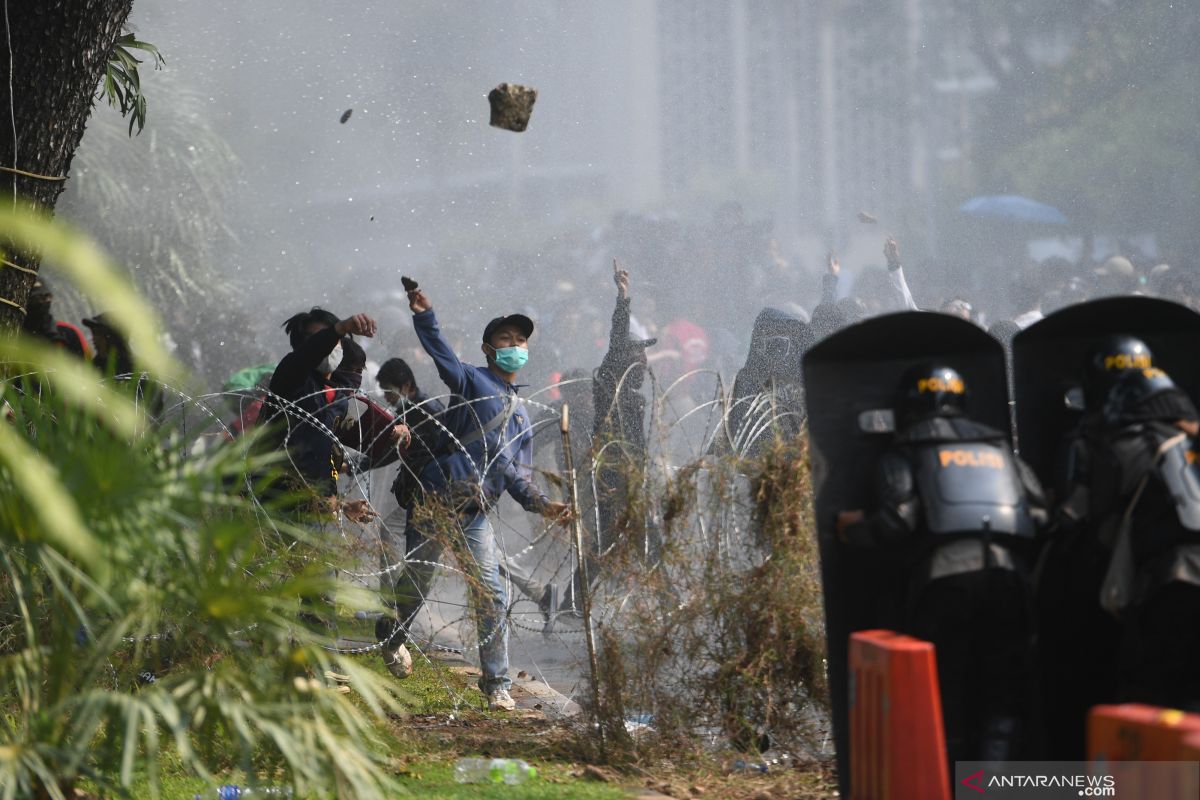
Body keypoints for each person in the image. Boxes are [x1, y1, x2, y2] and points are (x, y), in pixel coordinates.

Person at [837, 364, 1046, 764]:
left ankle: (948, 783)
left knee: (944, 692)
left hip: (944, 584)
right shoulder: (998, 449)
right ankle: (992, 789)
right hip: (1008, 579)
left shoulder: (905, 450)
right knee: (1000, 695)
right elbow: (1040, 515)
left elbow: (898, 520)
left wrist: (851, 529)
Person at [381, 282, 571, 711]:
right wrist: (425, 315)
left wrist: (545, 505)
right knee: (418, 582)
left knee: (491, 593)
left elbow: (518, 477)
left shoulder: (521, 414)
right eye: (506, 340)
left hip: (474, 512)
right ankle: (394, 638)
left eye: (521, 341)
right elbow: (441, 354)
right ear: (489, 349)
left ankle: (496, 684)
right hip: (435, 498)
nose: (515, 346)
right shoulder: (471, 379)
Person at [1048, 339, 1200, 717]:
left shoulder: (1113, 444)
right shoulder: (1189, 438)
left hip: (1167, 581)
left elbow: (1089, 522)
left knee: (1150, 693)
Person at [722, 307, 811, 456]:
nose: (778, 346)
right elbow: (737, 431)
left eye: (783, 334)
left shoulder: (797, 380)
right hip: (757, 462)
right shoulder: (748, 380)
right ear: (759, 341)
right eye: (772, 334)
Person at [22, 277, 89, 358]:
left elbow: (87, 367)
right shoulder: (15, 333)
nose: (43, 301)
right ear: (26, 301)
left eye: (47, 296)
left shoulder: (69, 334)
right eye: (36, 298)